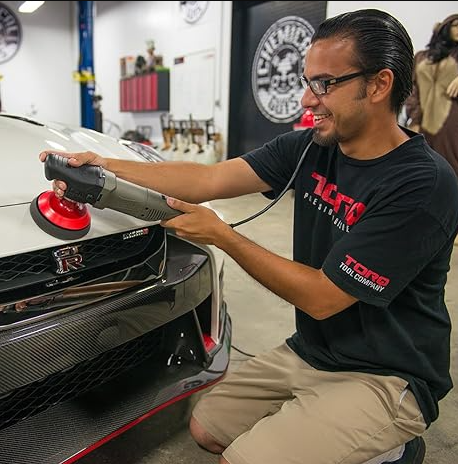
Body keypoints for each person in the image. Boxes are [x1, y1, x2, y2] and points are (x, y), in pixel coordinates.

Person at [39, 9, 458, 464]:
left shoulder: (422, 184)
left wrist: (223, 236)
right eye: (307, 81)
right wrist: (104, 166)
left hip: (386, 373)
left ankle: (393, 449)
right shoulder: (310, 147)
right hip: (315, 351)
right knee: (206, 427)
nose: (307, 99)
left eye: (324, 84)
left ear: (378, 85)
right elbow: (208, 179)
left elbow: (322, 298)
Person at [405, 14, 458, 177]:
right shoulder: (421, 57)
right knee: (423, 170)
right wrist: (414, 119)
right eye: (456, 25)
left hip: (452, 127)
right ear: (445, 28)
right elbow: (412, 90)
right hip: (423, 125)